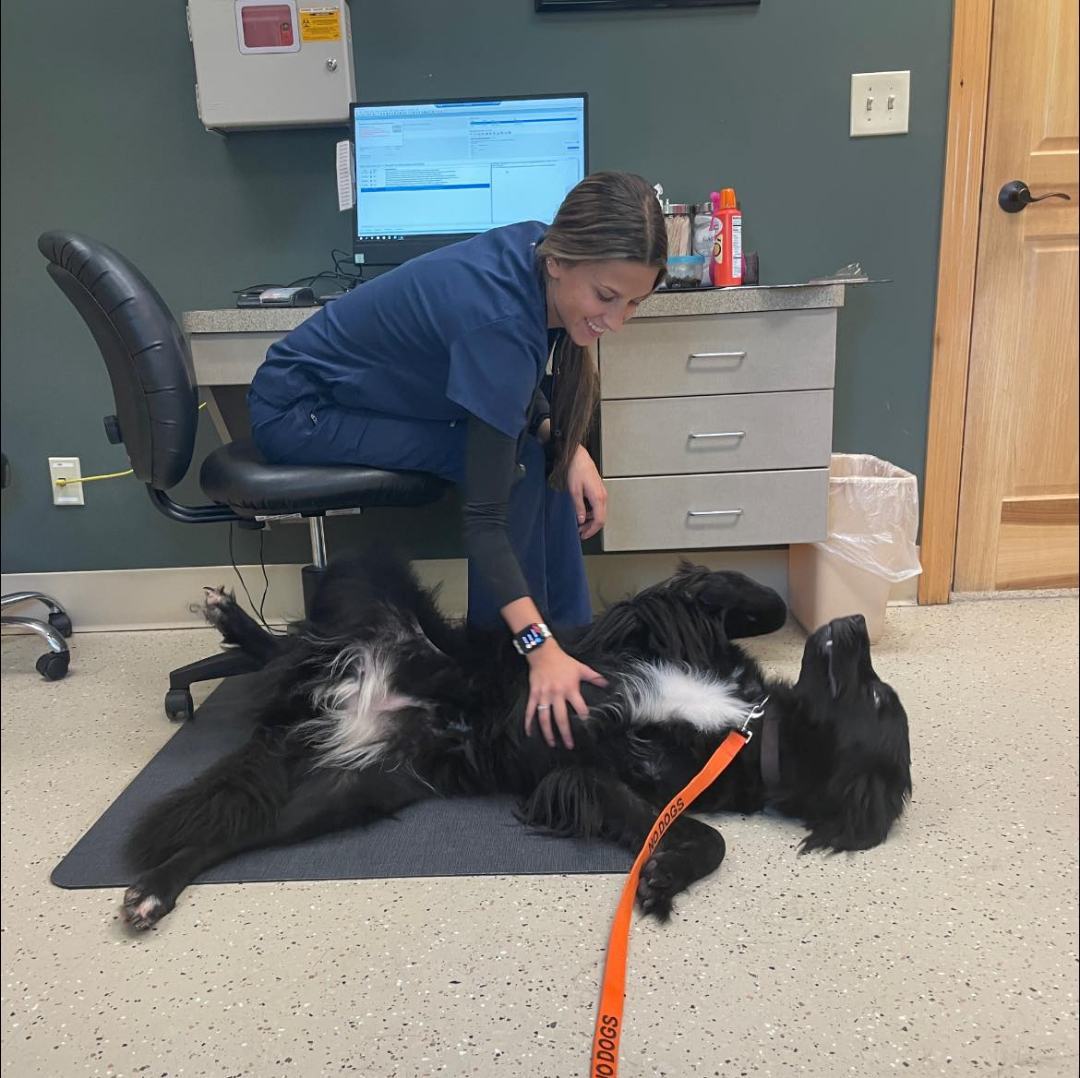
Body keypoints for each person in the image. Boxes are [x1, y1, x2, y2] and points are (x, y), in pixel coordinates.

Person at [247, 171, 667, 751]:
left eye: (634, 303)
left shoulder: (538, 254)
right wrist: (535, 647)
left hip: (363, 399)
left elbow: (517, 384)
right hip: (300, 412)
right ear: (559, 263)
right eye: (606, 296)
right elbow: (485, 522)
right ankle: (508, 673)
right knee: (513, 468)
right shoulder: (498, 312)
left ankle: (570, 644)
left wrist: (566, 445)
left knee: (535, 452)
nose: (615, 322)